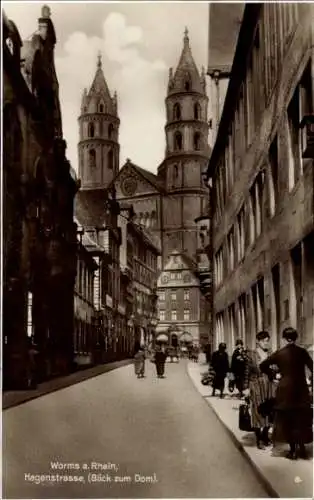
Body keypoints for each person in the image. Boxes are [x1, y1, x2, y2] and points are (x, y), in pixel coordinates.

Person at [260, 327, 313, 460]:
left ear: (284, 338)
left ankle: (293, 451)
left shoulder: (280, 353)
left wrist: (274, 375)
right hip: (301, 390)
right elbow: (313, 367)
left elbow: (263, 365)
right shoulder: (302, 352)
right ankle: (302, 449)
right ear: (296, 338)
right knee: (301, 420)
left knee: (288, 420)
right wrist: (310, 382)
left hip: (285, 391)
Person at [244, 331, 277, 449]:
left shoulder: (271, 354)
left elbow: (276, 368)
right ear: (258, 341)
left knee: (270, 412)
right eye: (264, 341)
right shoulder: (251, 355)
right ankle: (259, 440)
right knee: (257, 412)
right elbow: (247, 372)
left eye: (267, 341)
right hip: (256, 385)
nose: (266, 343)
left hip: (269, 385)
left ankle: (265, 435)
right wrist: (246, 388)